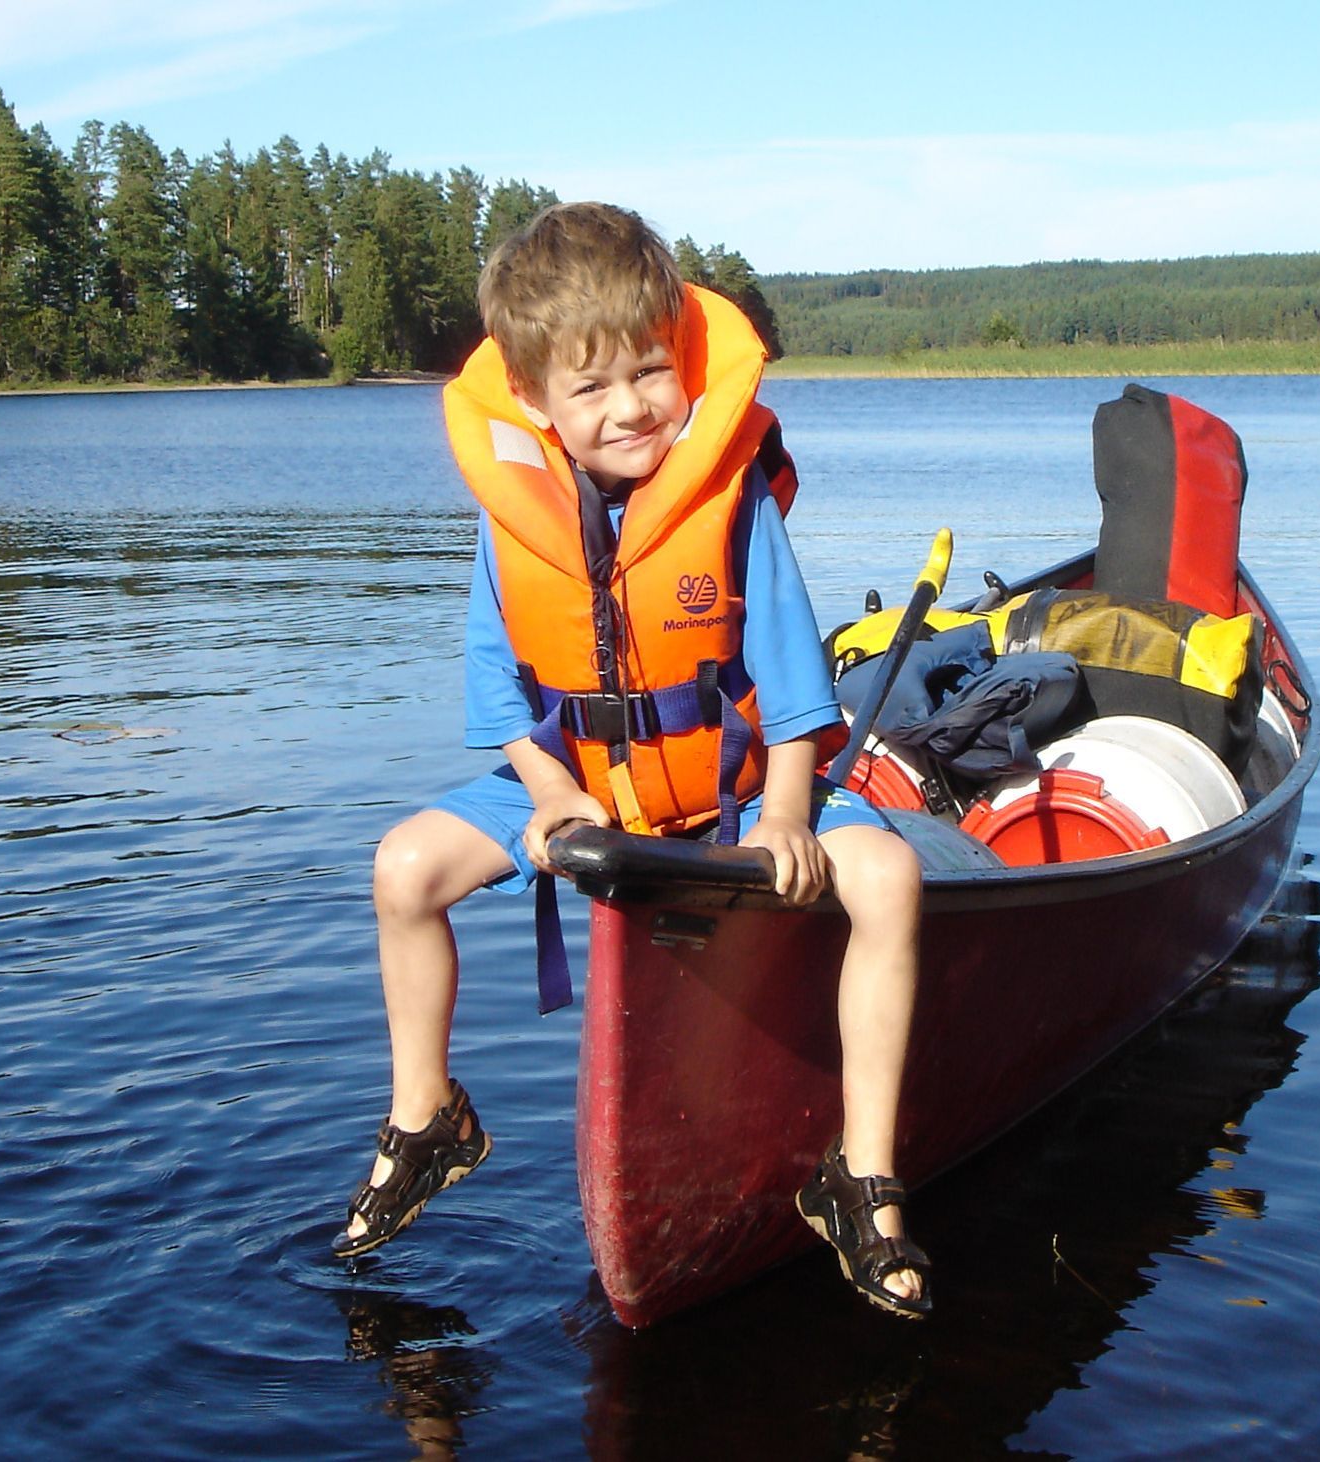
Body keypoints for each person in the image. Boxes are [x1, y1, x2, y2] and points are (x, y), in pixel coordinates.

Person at [335, 202, 929, 1318]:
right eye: (591, 389)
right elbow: (497, 685)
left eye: (651, 373)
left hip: (739, 787)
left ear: (683, 361)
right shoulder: (515, 515)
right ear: (531, 401)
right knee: (402, 867)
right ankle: (430, 1120)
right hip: (583, 789)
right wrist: (553, 788)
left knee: (890, 880)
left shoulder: (731, 494)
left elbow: (796, 683)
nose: (631, 409)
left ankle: (861, 1175)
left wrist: (788, 816)